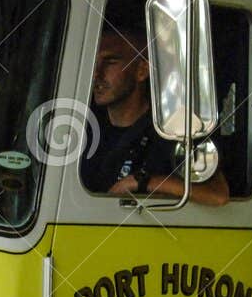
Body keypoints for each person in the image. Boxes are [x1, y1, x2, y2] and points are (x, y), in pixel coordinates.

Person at [80, 18, 230, 206]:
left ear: (142, 71)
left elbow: (217, 194)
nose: (96, 74)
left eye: (110, 62)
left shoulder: (175, 130)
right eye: (94, 63)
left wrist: (143, 181)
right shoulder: (84, 130)